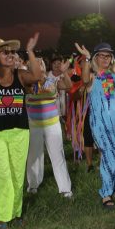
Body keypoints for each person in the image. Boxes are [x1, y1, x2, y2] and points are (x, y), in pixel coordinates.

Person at [0, 34, 43, 229]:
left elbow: (38, 76)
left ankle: (17, 212)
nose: (11, 55)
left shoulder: (21, 76)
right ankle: (3, 217)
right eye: (5, 52)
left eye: (13, 52)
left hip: (19, 132)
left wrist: (30, 51)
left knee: (17, 175)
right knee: (3, 175)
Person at [75, 41, 115, 209]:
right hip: (101, 125)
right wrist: (87, 59)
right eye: (101, 55)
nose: (104, 58)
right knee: (108, 155)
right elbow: (85, 78)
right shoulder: (93, 78)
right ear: (96, 58)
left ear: (111, 59)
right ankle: (106, 193)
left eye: (108, 56)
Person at [25, 57, 73, 198]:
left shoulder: (52, 81)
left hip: (52, 124)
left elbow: (69, 86)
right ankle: (33, 185)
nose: (38, 66)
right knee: (34, 156)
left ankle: (65, 189)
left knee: (58, 155)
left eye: (40, 64)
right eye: (34, 64)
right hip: (34, 125)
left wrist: (64, 73)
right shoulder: (26, 84)